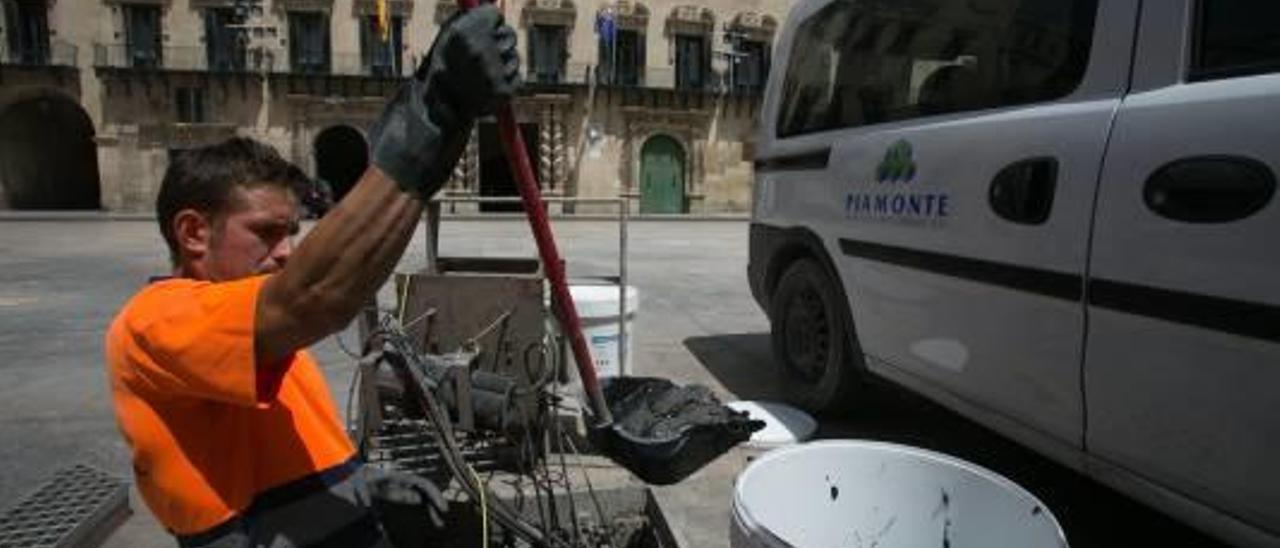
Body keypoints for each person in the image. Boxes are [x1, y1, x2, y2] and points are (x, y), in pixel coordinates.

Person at [103, 6, 519, 547]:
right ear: (193, 233)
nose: (285, 252)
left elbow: (286, 451)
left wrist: (364, 483)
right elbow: (317, 296)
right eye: (266, 232)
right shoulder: (153, 324)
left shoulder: (257, 340)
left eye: (292, 231)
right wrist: (435, 112)